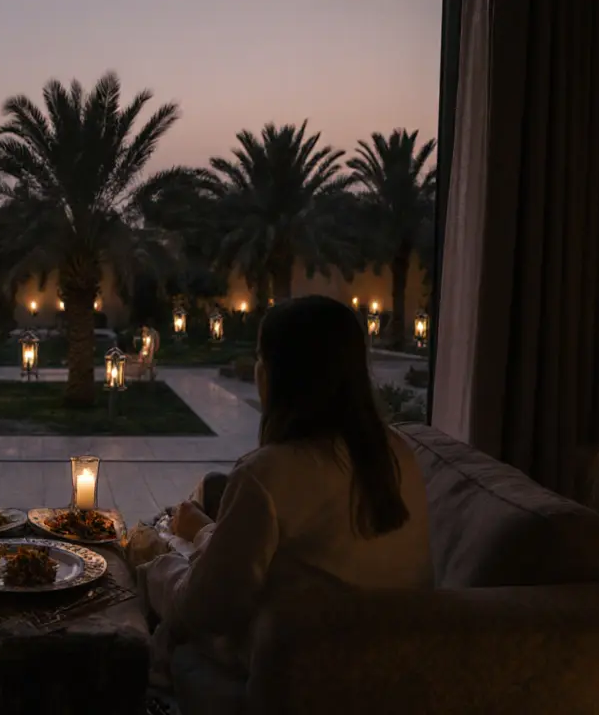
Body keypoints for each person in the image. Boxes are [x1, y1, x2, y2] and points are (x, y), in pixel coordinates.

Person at [142, 295, 432, 691]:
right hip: (387, 673)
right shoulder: (397, 453)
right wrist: (207, 532)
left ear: (277, 373)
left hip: (302, 679)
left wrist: (156, 564)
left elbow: (206, 609)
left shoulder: (268, 474)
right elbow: (298, 566)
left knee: (164, 605)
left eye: (261, 357)